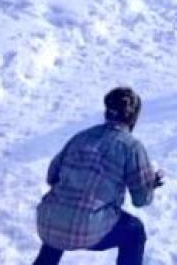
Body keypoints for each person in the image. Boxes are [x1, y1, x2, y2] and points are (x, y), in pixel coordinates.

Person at [31, 87, 164, 265]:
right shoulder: (131, 147)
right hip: (85, 229)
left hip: (47, 222)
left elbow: (51, 176)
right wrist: (150, 183)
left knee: (61, 217)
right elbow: (141, 200)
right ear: (133, 117)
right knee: (134, 232)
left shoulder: (81, 137)